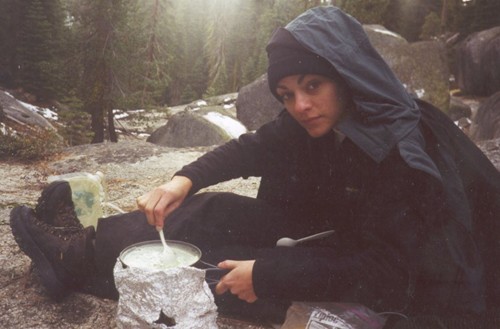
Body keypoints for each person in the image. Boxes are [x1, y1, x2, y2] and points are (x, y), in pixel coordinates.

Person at [9, 5, 500, 327]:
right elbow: (252, 148)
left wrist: (268, 275)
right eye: (287, 94)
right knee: (209, 209)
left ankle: (73, 266)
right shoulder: (333, 117)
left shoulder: (404, 152)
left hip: (416, 294)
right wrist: (185, 178)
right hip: (341, 238)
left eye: (312, 85)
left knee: (217, 268)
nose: (300, 105)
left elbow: (394, 272)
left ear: (346, 77)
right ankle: (81, 246)